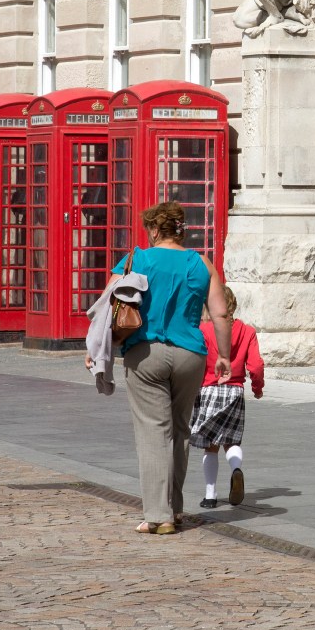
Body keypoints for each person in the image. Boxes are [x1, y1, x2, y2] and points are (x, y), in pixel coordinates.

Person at [86, 202, 231, 535]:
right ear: (181, 229)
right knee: (179, 431)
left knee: (153, 432)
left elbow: (107, 310)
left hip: (145, 352)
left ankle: (158, 515)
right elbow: (221, 314)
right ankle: (176, 508)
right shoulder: (201, 263)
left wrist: (96, 349)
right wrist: (224, 354)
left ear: (153, 229)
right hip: (191, 355)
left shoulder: (138, 259)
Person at [192, 286, 264, 509]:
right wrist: (257, 387)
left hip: (209, 389)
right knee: (232, 440)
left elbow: (195, 361)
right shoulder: (248, 331)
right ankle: (236, 470)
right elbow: (256, 365)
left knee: (210, 445)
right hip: (235, 391)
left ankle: (210, 495)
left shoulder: (204, 330)